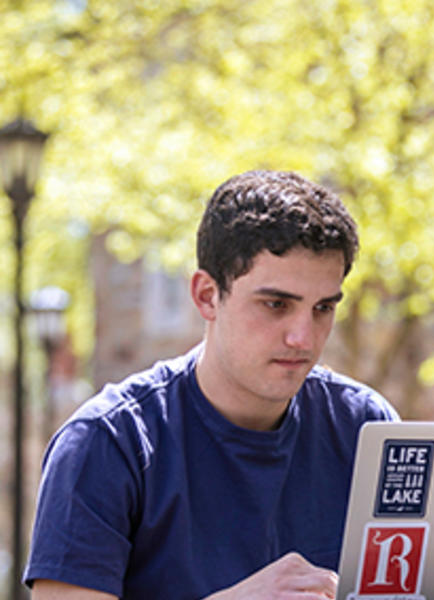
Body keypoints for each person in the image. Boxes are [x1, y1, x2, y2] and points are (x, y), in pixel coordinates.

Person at [24, 170, 399, 599]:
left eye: (323, 308)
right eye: (276, 305)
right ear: (206, 295)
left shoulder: (367, 427)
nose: (304, 337)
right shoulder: (108, 442)